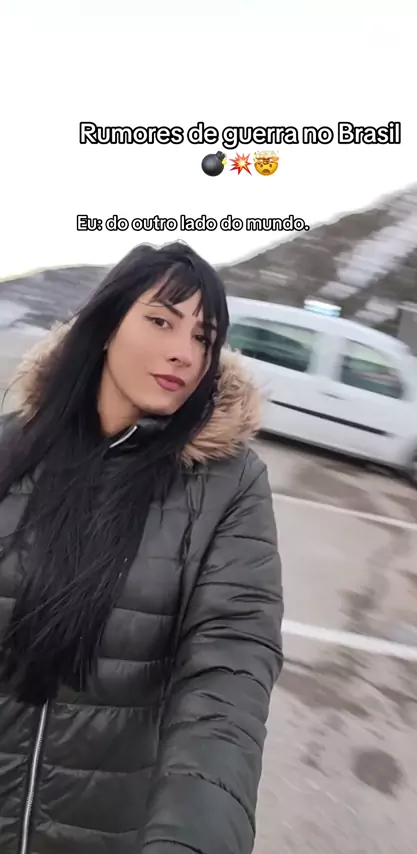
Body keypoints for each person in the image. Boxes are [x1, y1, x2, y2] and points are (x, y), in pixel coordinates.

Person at [0, 242, 283, 854]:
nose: (185, 352)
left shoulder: (228, 484)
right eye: (160, 321)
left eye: (204, 338)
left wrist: (195, 836)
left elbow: (230, 670)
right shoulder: (12, 448)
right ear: (106, 326)